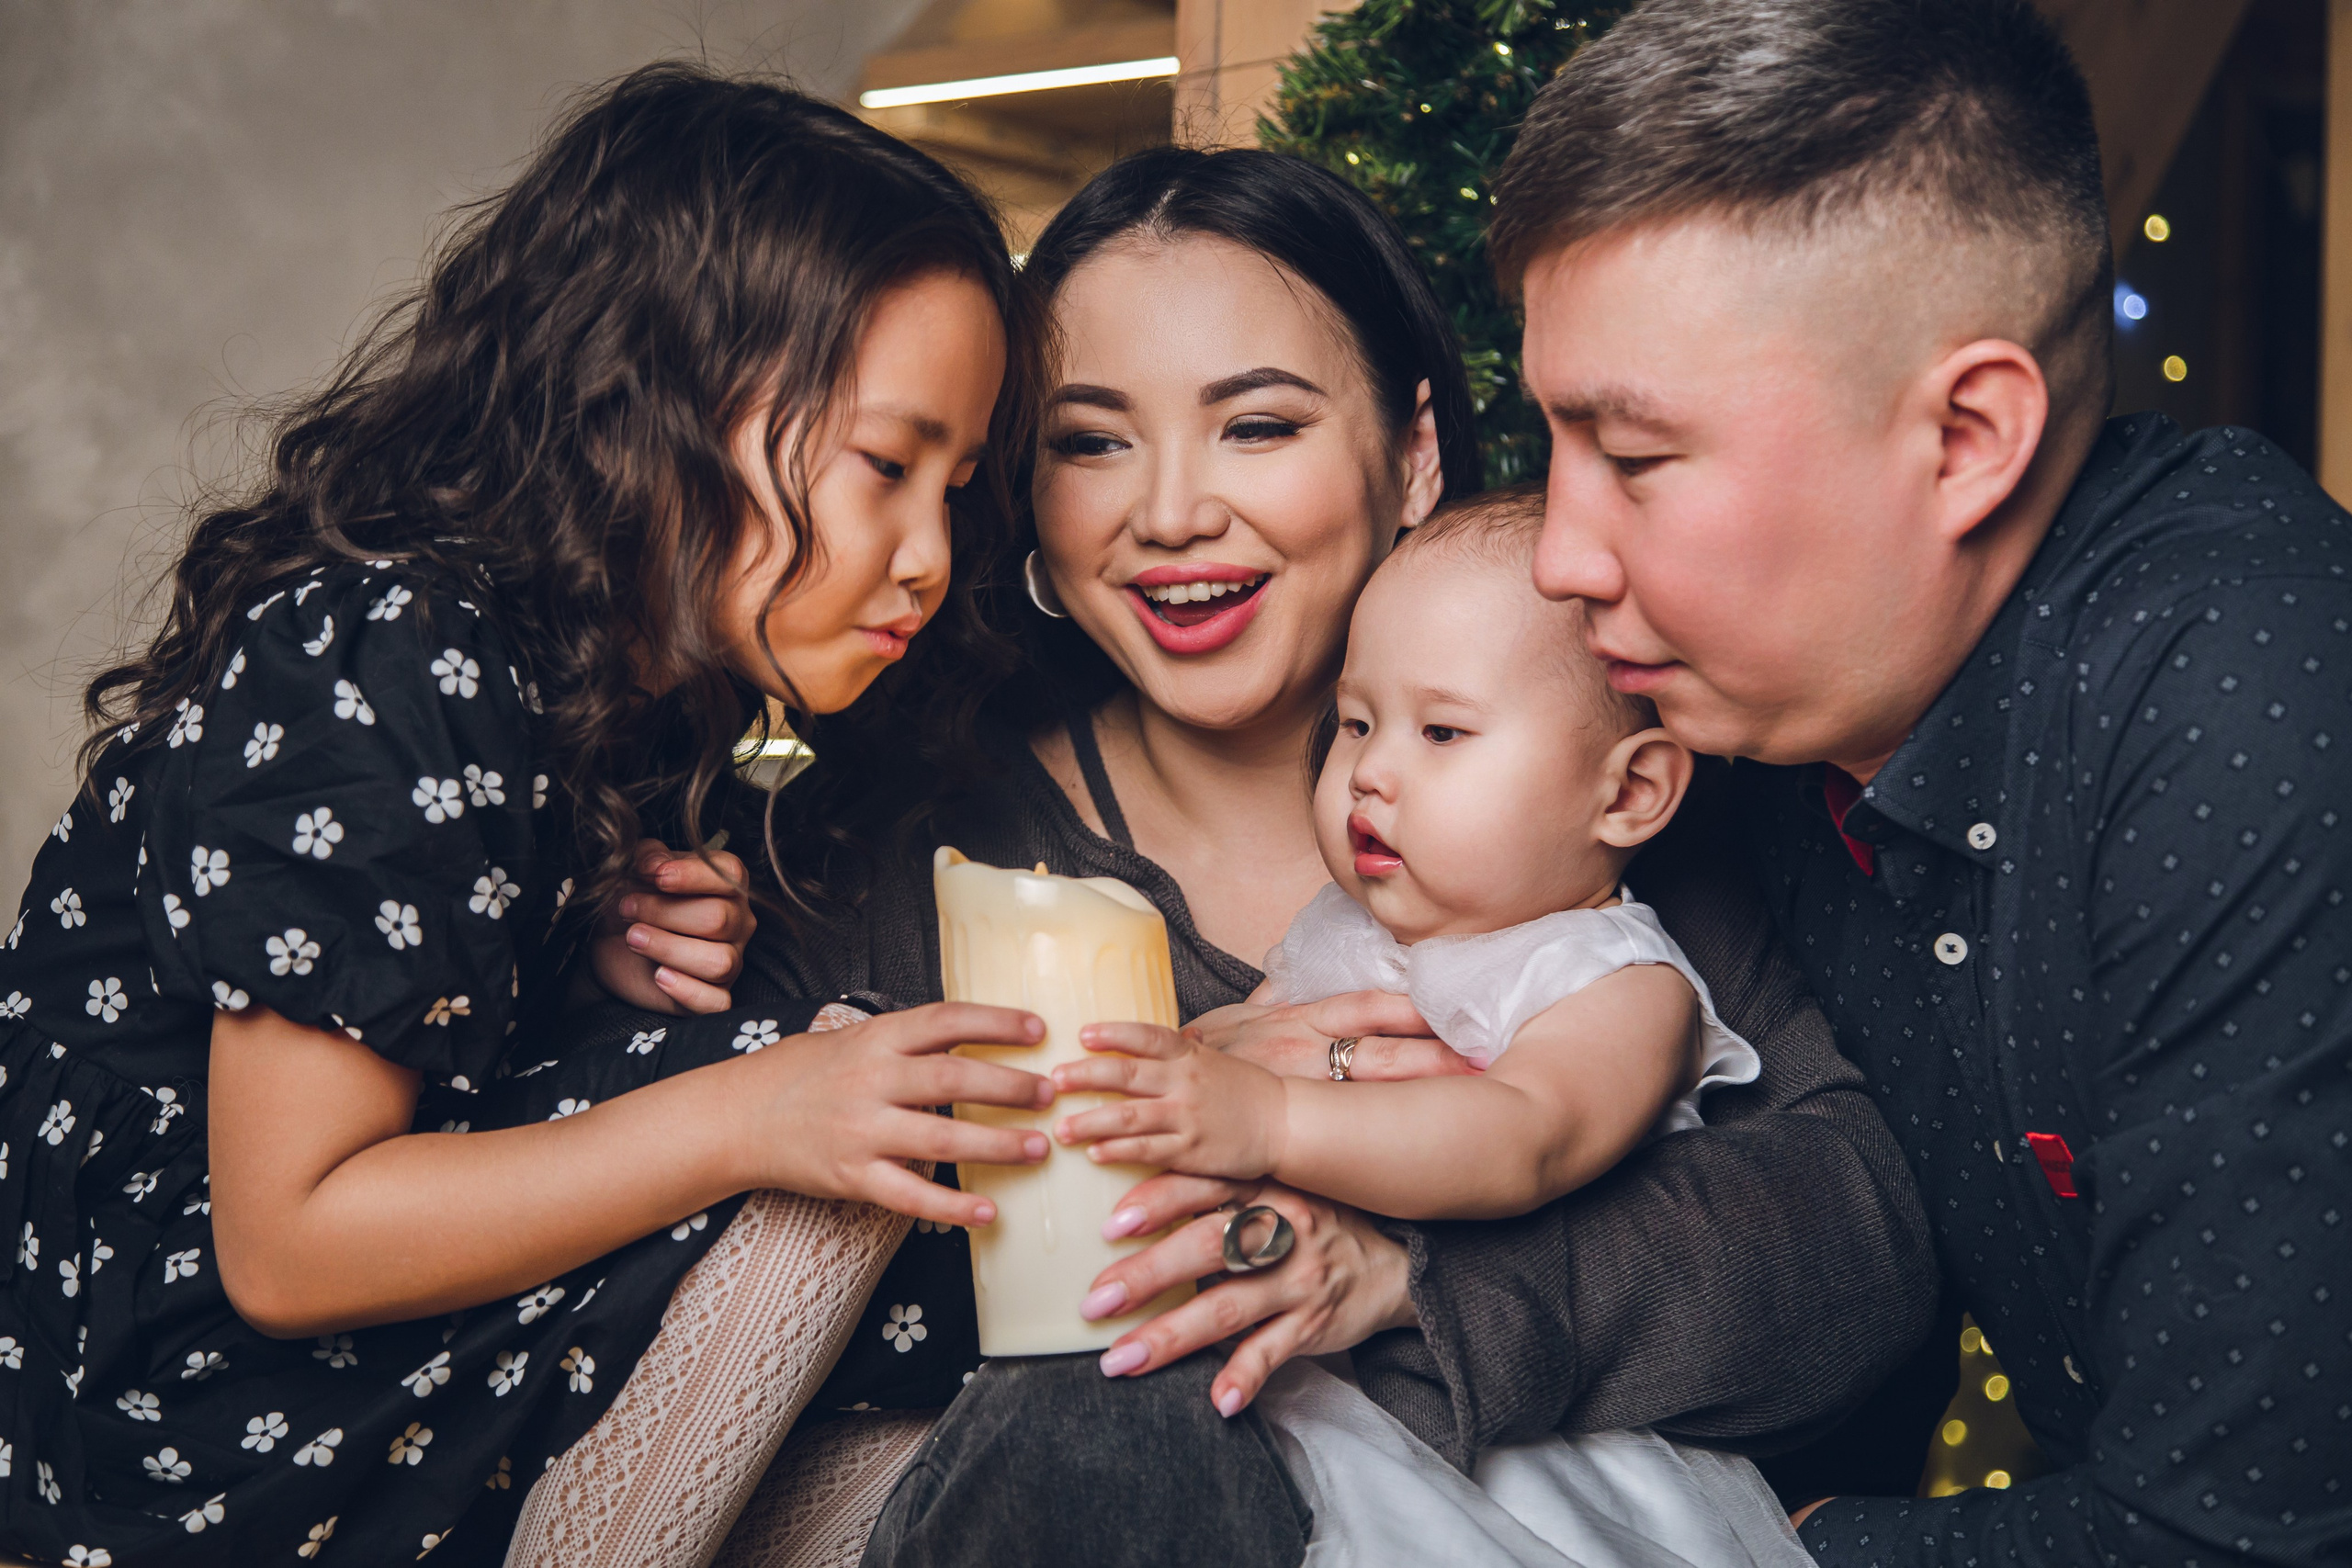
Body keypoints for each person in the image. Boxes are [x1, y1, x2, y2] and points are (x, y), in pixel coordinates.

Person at [741, 145, 1935, 1568]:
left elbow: (1863, 1246)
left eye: (1256, 425)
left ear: (1412, 453)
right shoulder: (883, 842)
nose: (1170, 512)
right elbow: (715, 1303)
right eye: (1091, 441)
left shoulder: (1617, 799)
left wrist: (1413, 1280)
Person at [0, 67, 1065, 1566]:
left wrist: (568, 939)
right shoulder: (387, 641)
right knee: (842, 1115)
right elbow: (290, 1243)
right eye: (887, 466)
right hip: (170, 1401)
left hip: (272, 1359)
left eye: (957, 487)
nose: (930, 556)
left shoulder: (624, 671)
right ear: (654, 403)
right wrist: (754, 1109)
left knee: (923, 1220)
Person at [1488, 1, 2351, 1562]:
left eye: (1636, 457)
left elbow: (2243, 1535)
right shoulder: (1760, 714)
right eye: (1555, 440)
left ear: (1965, 436)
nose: (1561, 554)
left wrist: (1788, 1544)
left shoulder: (2256, 685)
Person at [1055, 489, 1810, 1568]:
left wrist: (1270, 1118)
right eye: (1356, 722)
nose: (1369, 770)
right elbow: (1257, 1052)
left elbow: (1525, 1134)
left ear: (1629, 793)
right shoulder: (1347, 924)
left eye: (1441, 731)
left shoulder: (1610, 978)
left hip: (1510, 1442)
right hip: (1298, 1387)